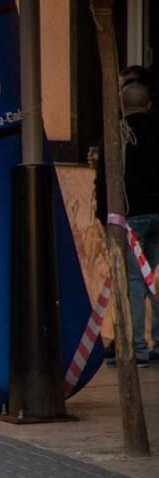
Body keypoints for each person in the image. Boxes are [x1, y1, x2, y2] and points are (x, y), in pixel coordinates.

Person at [100, 81, 159, 365]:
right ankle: (157, 345)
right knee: (155, 278)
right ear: (148, 106)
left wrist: (105, 216)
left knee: (134, 280)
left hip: (131, 216)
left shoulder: (116, 133)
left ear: (123, 106)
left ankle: (136, 348)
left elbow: (106, 177)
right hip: (157, 214)